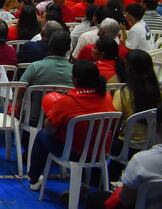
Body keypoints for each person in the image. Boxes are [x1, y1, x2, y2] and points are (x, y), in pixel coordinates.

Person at [28, 61, 115, 190]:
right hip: (101, 151)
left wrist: (49, 114)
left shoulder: (67, 101)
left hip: (74, 153)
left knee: (42, 134)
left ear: (74, 79)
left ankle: (34, 178)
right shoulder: (106, 97)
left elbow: (50, 129)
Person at [85, 104, 162, 209]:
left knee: (95, 198)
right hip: (141, 146)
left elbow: (125, 199)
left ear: (159, 127)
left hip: (126, 149)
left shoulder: (141, 161)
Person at [18, 30, 73, 125]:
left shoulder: (35, 67)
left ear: (49, 45)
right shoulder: (75, 71)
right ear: (68, 48)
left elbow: (20, 89)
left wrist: (17, 107)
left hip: (34, 119)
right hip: (63, 120)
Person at [113, 50, 162, 150]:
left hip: (127, 146)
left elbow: (114, 125)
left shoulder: (123, 94)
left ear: (129, 68)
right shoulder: (158, 92)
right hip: (153, 145)